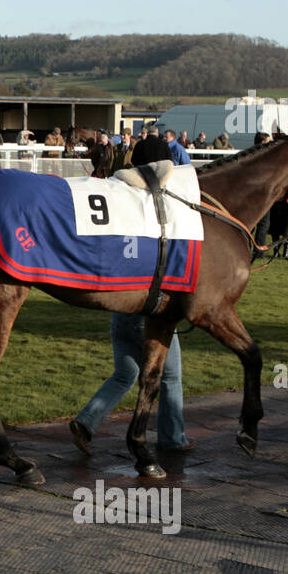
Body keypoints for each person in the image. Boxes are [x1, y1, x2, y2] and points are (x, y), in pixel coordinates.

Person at [68, 141, 193, 460]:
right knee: (170, 375)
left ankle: (86, 422)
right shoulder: (163, 207)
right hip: (152, 307)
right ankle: (173, 438)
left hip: (121, 304)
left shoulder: (119, 203)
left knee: (125, 374)